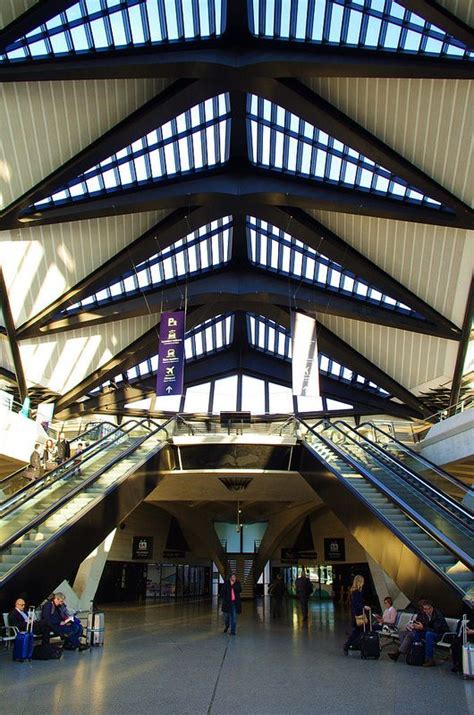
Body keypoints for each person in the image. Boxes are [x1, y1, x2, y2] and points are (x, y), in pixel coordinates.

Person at [389, 598, 448, 666]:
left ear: (430, 608)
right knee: (415, 633)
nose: (424, 610)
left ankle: (429, 659)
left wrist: (422, 628)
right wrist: (416, 626)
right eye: (424, 609)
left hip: (440, 634)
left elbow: (437, 629)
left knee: (429, 635)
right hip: (428, 632)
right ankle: (416, 654)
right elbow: (423, 625)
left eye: (426, 609)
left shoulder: (438, 615)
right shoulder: (425, 614)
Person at [343, 574, 370, 654]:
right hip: (358, 614)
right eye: (362, 581)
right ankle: (350, 645)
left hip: (356, 614)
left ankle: (351, 645)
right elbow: (356, 603)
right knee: (360, 630)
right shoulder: (357, 592)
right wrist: (364, 606)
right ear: (360, 582)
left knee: (358, 631)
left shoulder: (354, 591)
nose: (363, 583)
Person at [451, 606, 474, 674]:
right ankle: (457, 664)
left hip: (470, 636)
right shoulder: (464, 618)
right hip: (464, 636)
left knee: (459, 645)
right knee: (455, 645)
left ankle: (460, 664)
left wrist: (472, 631)